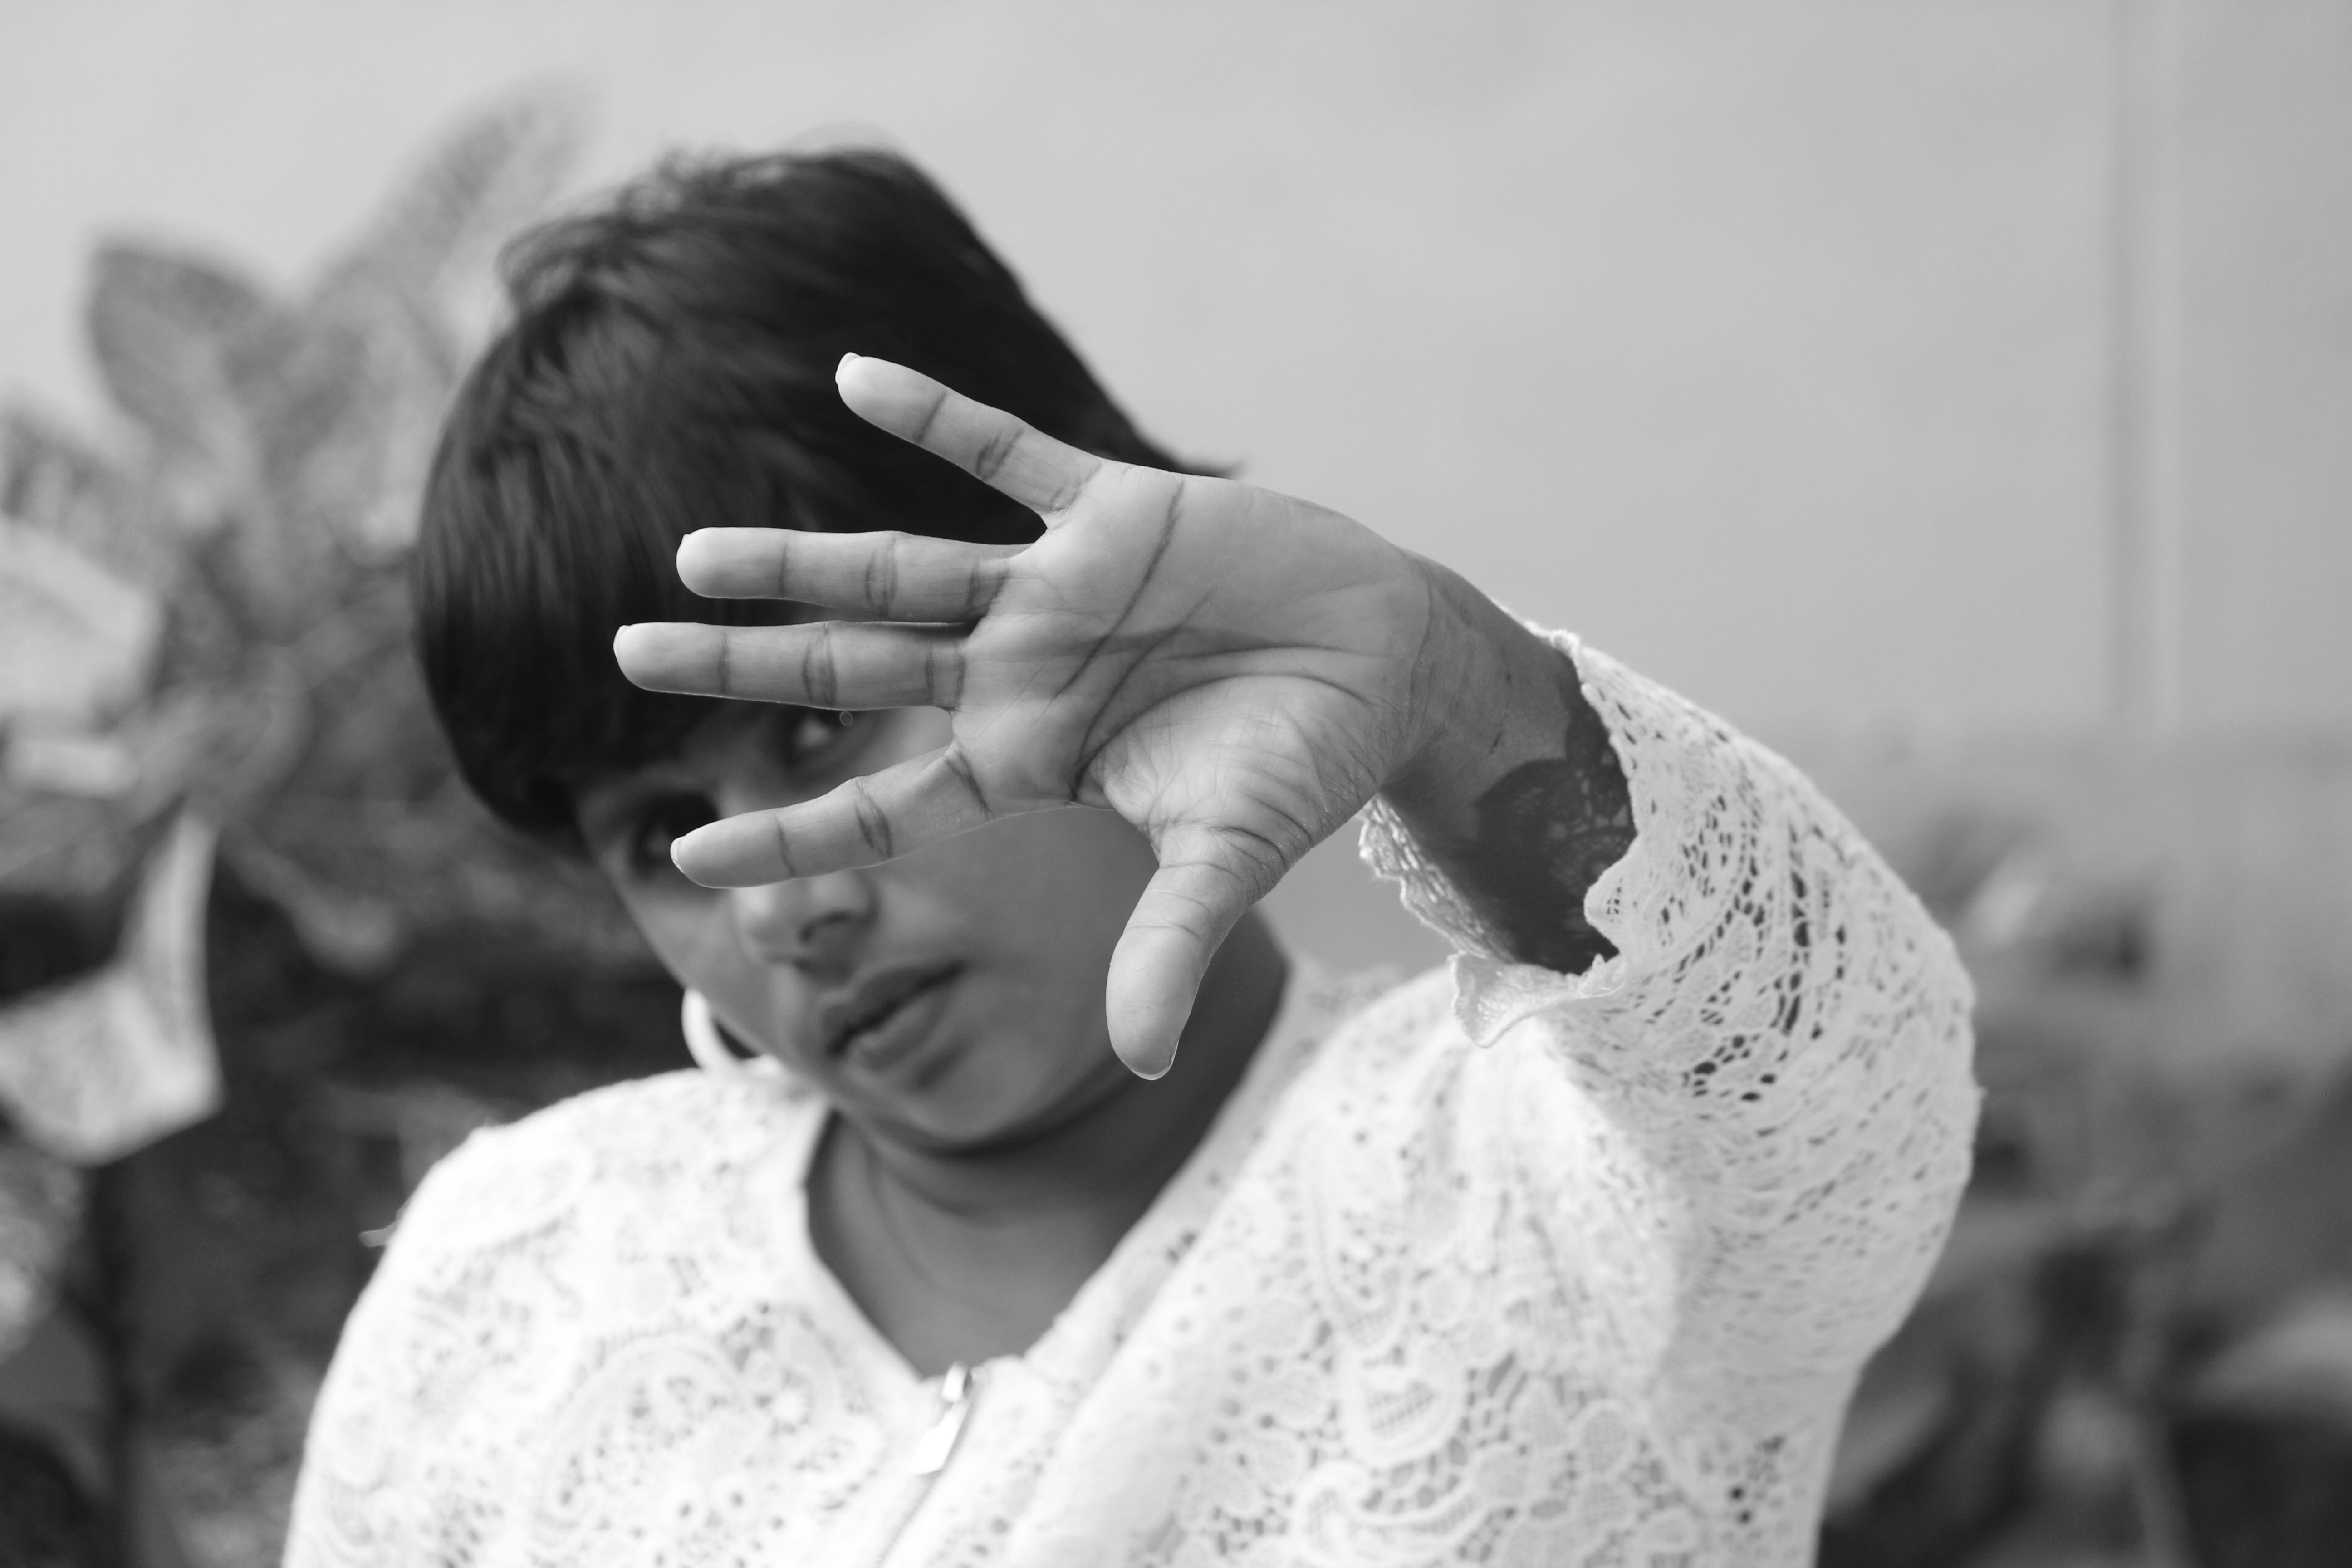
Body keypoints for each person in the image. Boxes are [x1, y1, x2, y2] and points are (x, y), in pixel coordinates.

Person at [283, 147, 1977, 1567]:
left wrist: (1454, 684)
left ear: (1086, 581)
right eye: (661, 833)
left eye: (818, 731)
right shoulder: (519, 1280)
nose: (786, 898)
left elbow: (1848, 1089)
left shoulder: (1543, 1196)